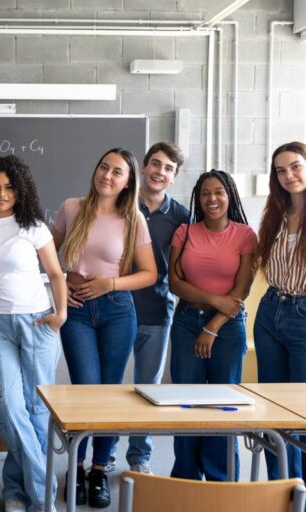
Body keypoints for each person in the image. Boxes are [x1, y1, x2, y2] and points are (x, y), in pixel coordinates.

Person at [51, 148, 156, 509]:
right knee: (86, 390)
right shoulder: (71, 208)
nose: (107, 176)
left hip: (116, 311)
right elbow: (46, 257)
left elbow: (150, 274)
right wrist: (64, 283)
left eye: (117, 172)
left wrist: (109, 284)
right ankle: (75, 467)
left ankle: (99, 470)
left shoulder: (133, 219)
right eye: (103, 168)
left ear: (128, 182)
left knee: (110, 393)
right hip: (77, 311)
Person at [0, 155, 67, 512]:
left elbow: (56, 274)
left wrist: (61, 315)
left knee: (36, 412)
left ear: (20, 189)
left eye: (9, 187)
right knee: (8, 407)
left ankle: (15, 491)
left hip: (38, 323)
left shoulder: (33, 226)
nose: (1, 193)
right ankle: (43, 497)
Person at [254, 142, 306, 511]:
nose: (288, 175)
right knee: (277, 418)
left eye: (295, 166)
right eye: (281, 170)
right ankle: (285, 502)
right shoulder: (274, 215)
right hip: (271, 311)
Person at [168, 170, 257, 482]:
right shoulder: (185, 232)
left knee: (224, 404)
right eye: (205, 193)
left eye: (218, 192)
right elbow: (175, 283)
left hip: (228, 328)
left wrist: (213, 325)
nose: (212, 199)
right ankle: (185, 478)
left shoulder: (245, 235)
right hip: (186, 322)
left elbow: (242, 289)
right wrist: (214, 300)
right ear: (198, 198)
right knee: (186, 402)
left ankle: (221, 478)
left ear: (229, 194)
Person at [122, 142, 190, 474]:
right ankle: (99, 460)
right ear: (144, 167)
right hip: (114, 310)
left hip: (156, 312)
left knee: (147, 388)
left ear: (174, 176)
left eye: (167, 168)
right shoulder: (118, 203)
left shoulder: (181, 217)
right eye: (155, 164)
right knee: (105, 389)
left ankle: (139, 458)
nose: (159, 172)